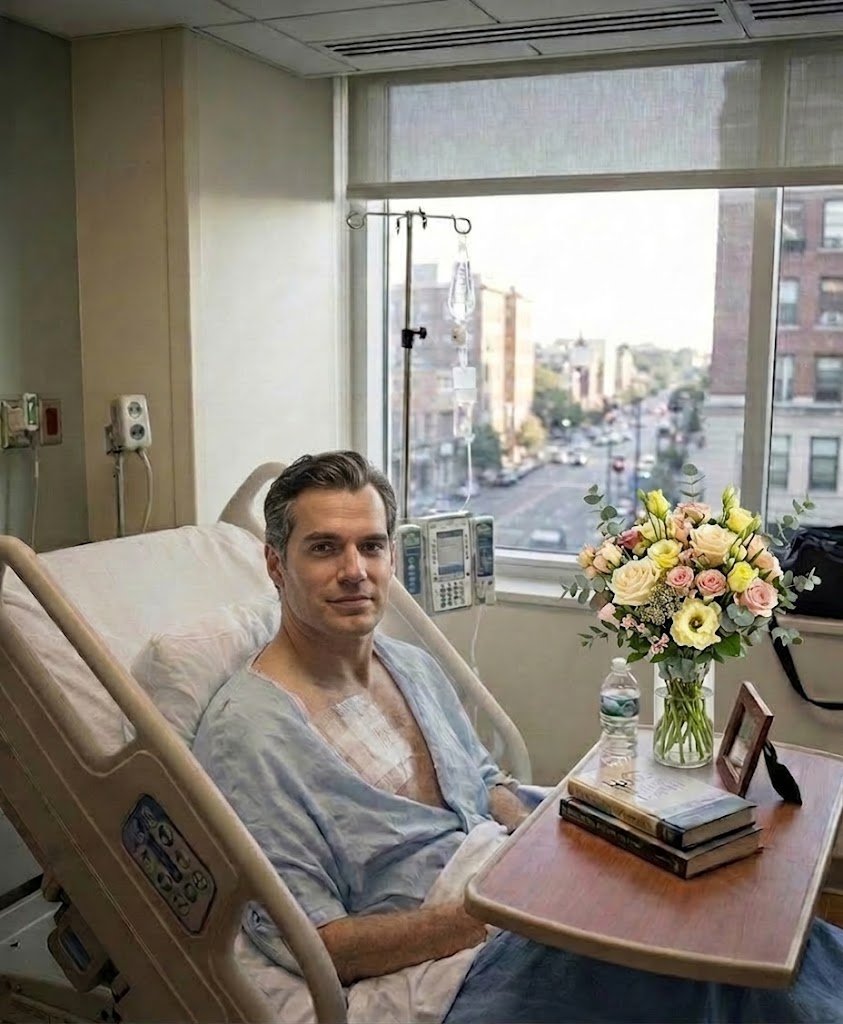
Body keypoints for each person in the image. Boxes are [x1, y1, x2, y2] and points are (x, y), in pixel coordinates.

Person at [193, 451, 843, 1024]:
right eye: (324, 548)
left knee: (746, 922)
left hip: (513, 889)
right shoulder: (248, 737)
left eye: (371, 546)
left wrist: (577, 839)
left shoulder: (407, 664)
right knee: (689, 970)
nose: (355, 570)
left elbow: (484, 785)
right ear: (275, 564)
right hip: (459, 965)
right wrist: (500, 908)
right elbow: (320, 943)